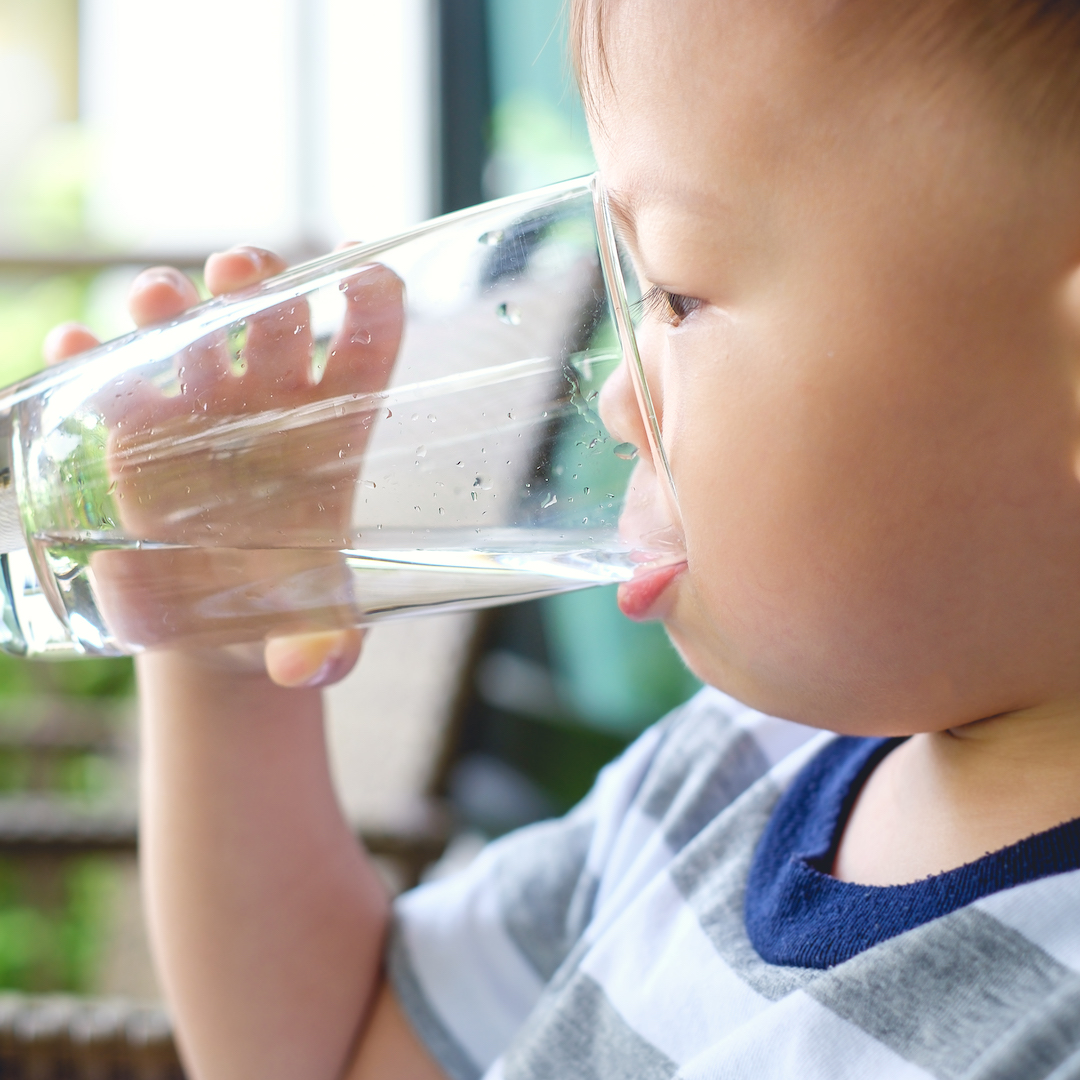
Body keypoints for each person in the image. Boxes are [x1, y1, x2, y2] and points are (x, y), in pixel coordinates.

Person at [43, 0, 1080, 1076]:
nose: (617, 403)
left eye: (676, 294)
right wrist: (227, 665)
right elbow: (327, 1055)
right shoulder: (719, 776)